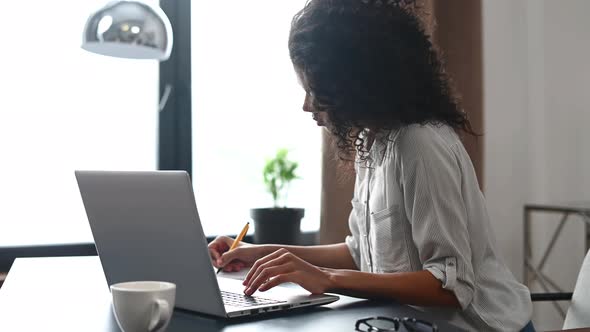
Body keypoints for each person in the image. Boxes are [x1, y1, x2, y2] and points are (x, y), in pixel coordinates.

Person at [208, 0, 533, 331]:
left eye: (316, 90)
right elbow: (360, 252)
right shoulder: (371, 143)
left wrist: (327, 279)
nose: (307, 105)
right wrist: (261, 253)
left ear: (356, 82)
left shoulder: (420, 144)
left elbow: (450, 285)